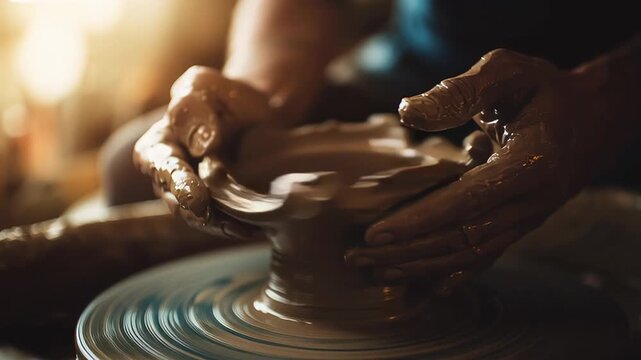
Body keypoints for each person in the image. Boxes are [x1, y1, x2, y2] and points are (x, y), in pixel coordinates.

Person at [119, 0, 641, 295]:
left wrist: (601, 103)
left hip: (607, 84)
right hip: (422, 67)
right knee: (133, 165)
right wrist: (261, 90)